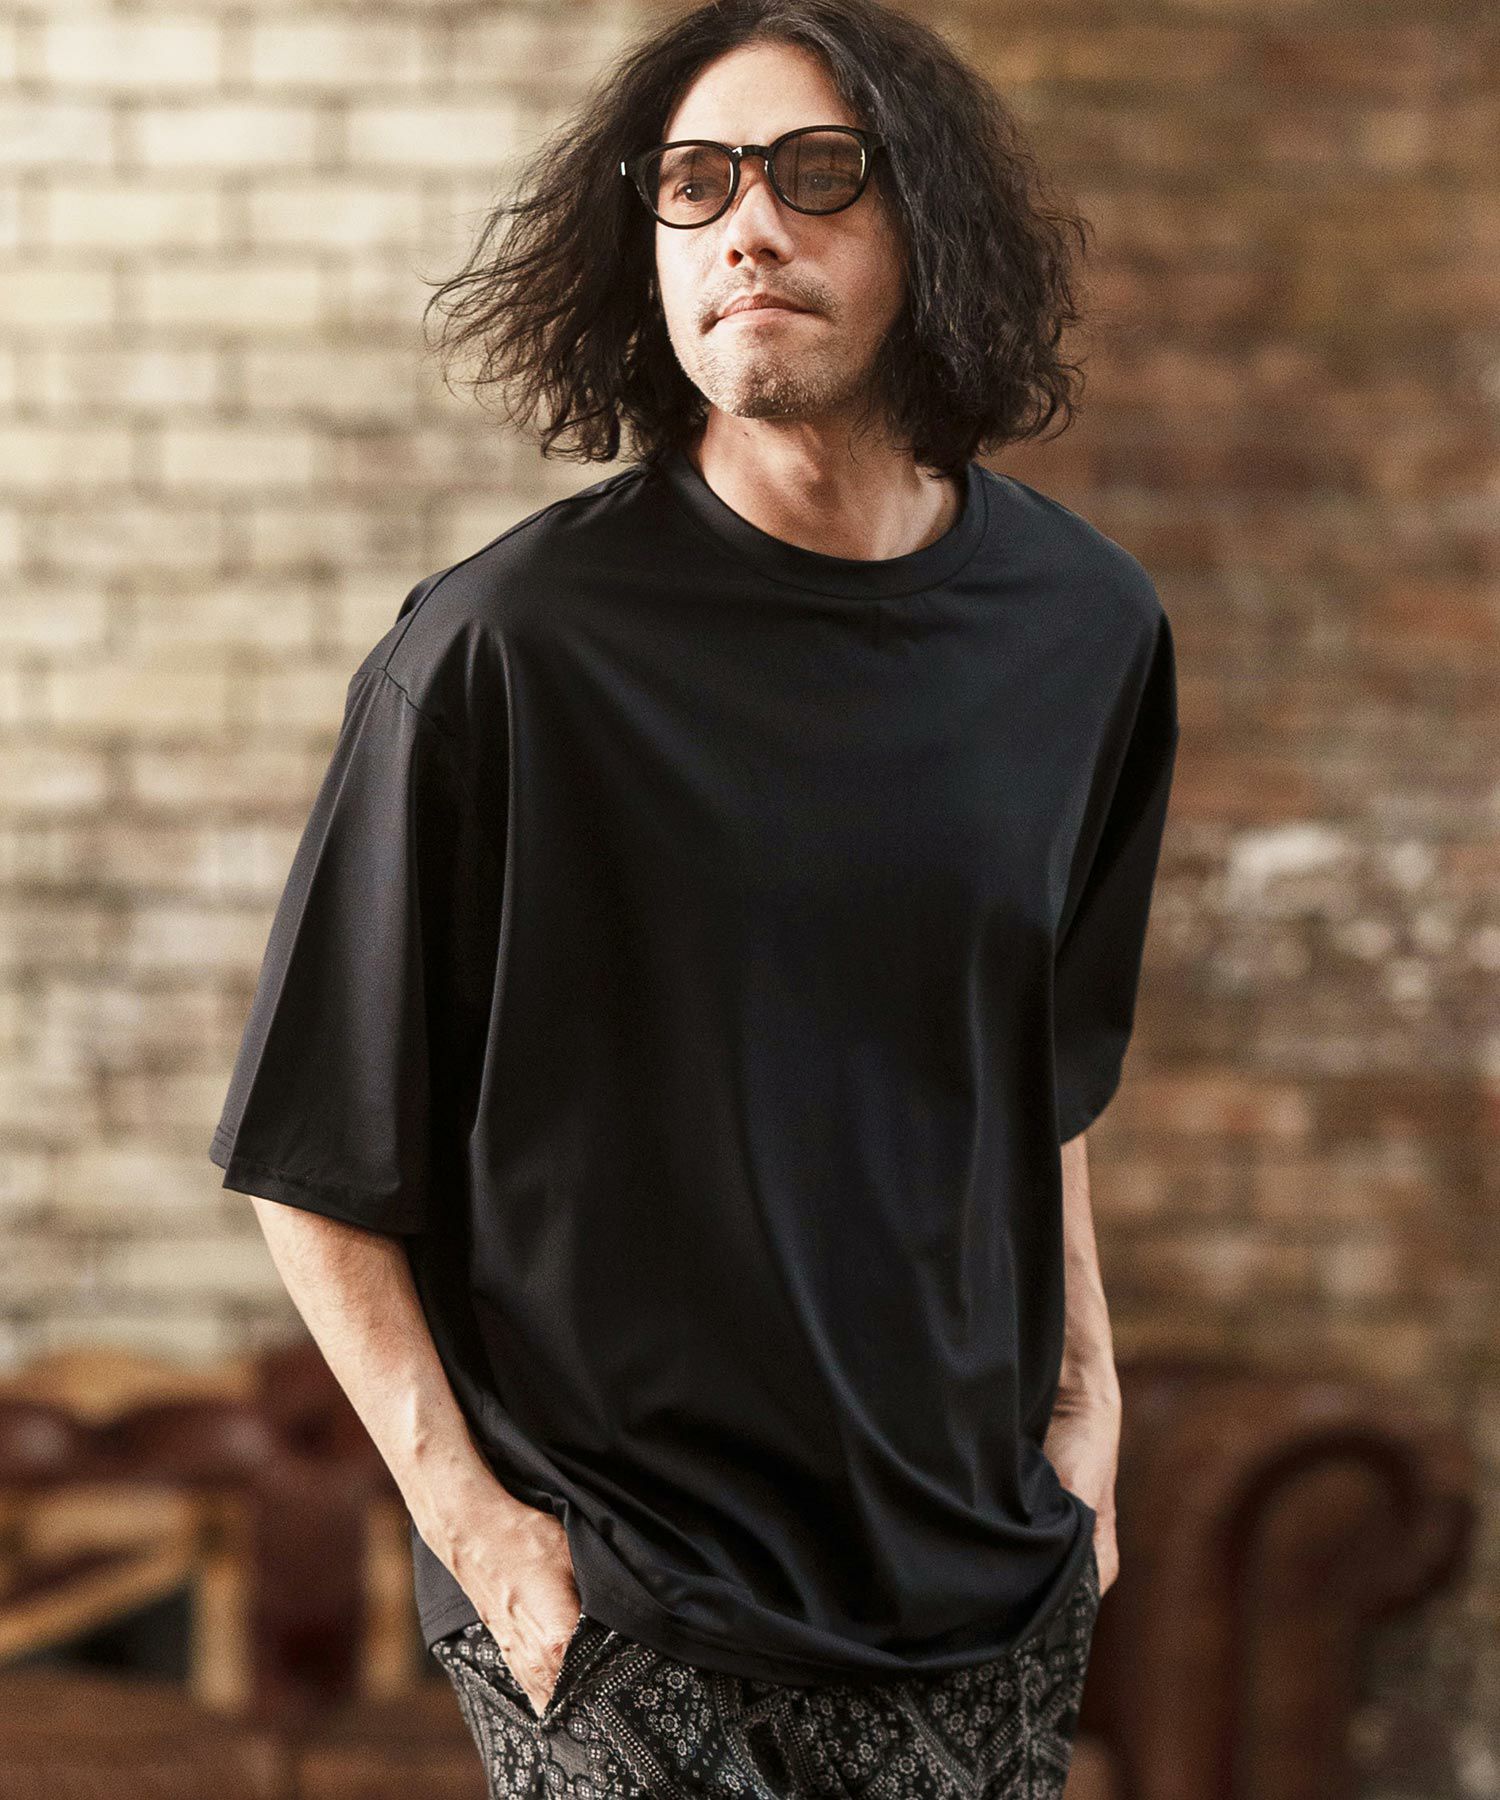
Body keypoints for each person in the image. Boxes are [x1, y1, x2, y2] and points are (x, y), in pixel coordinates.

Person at [208, 0, 1180, 1792]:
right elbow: (311, 1155)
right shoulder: (501, 651)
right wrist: (484, 1538)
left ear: (931, 226)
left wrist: (1083, 1408)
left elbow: (1034, 1067)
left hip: (978, 1579)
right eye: (695, 184)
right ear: (645, 247)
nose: (748, 226)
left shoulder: (1088, 629)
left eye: (817, 174)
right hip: (621, 1598)